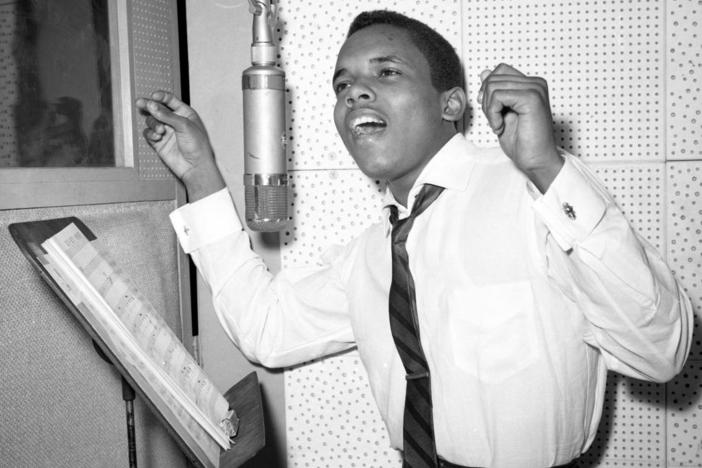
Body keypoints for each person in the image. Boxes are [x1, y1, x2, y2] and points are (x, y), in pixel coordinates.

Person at [136, 10, 693, 468]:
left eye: (387, 73)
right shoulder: (374, 252)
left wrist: (547, 168)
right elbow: (266, 329)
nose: (355, 93)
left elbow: (662, 351)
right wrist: (200, 175)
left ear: (451, 103)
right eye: (343, 84)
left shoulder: (536, 191)